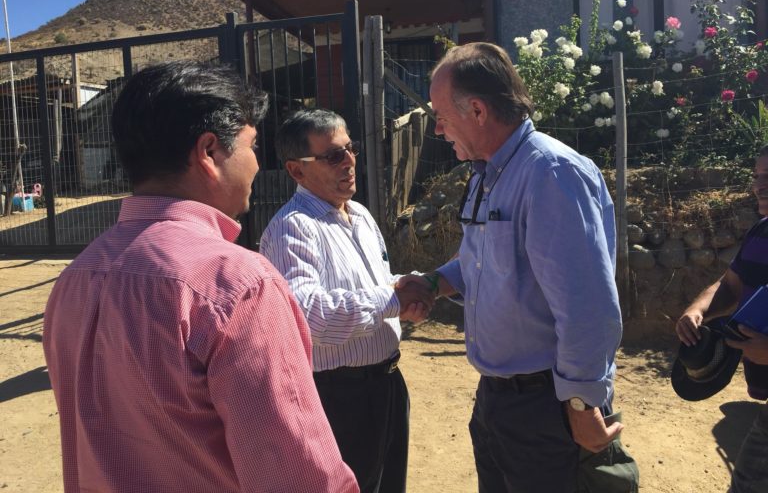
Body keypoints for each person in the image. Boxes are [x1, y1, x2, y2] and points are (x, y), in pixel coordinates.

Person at [43, 62, 358, 493]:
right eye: (251, 145)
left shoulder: (75, 280)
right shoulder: (237, 285)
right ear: (209, 152)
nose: (255, 163)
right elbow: (296, 472)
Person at [401, 42, 629, 492]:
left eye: (441, 115)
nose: (439, 129)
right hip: (499, 401)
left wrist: (582, 407)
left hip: (548, 408)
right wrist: (432, 282)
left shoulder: (551, 173)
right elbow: (482, 261)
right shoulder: (492, 173)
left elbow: (588, 307)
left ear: (479, 111)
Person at [259, 109, 433, 493]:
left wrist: (403, 291)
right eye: (333, 155)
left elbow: (371, 286)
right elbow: (309, 315)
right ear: (297, 171)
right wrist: (392, 299)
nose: (350, 161)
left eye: (350, 148)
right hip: (340, 397)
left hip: (387, 384)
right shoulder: (294, 228)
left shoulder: (360, 215)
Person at [676, 145, 768, 493]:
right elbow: (730, 286)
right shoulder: (761, 232)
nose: (760, 185)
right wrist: (698, 310)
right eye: (758, 176)